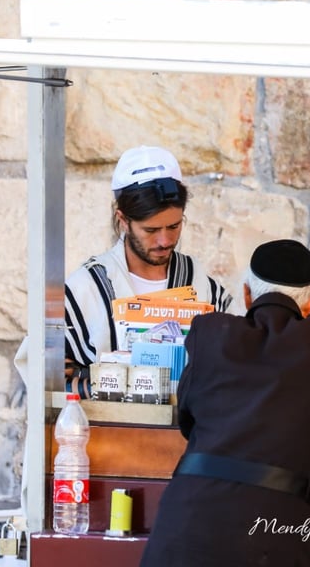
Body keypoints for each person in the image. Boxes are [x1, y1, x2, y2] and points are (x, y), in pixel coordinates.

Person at [139, 239, 310, 567]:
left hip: (185, 526)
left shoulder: (210, 333)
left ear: (246, 294)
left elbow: (187, 418)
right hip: (272, 538)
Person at [64, 145, 234, 396]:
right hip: (106, 433)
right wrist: (113, 387)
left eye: (174, 226)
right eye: (151, 231)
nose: (165, 240)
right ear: (123, 220)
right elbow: (51, 379)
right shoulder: (84, 289)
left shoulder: (202, 287)